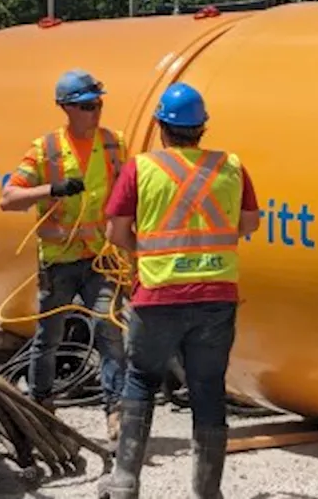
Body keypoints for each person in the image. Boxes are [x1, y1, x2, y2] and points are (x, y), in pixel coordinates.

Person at [97, 82, 260, 499]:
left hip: (159, 296)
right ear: (202, 127)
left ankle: (124, 482)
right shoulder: (231, 167)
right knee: (207, 387)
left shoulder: (142, 168)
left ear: (161, 127)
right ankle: (208, 492)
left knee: (141, 379)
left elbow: (115, 232)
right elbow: (249, 224)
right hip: (216, 298)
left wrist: (144, 253)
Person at [0, 69, 129, 442]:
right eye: (88, 106)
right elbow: (8, 199)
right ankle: (41, 404)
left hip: (100, 260)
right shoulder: (45, 149)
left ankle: (115, 411)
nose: (96, 112)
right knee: (49, 337)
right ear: (66, 108)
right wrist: (52, 189)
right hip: (59, 261)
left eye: (99, 104)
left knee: (109, 330)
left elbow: (127, 193)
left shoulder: (114, 144)